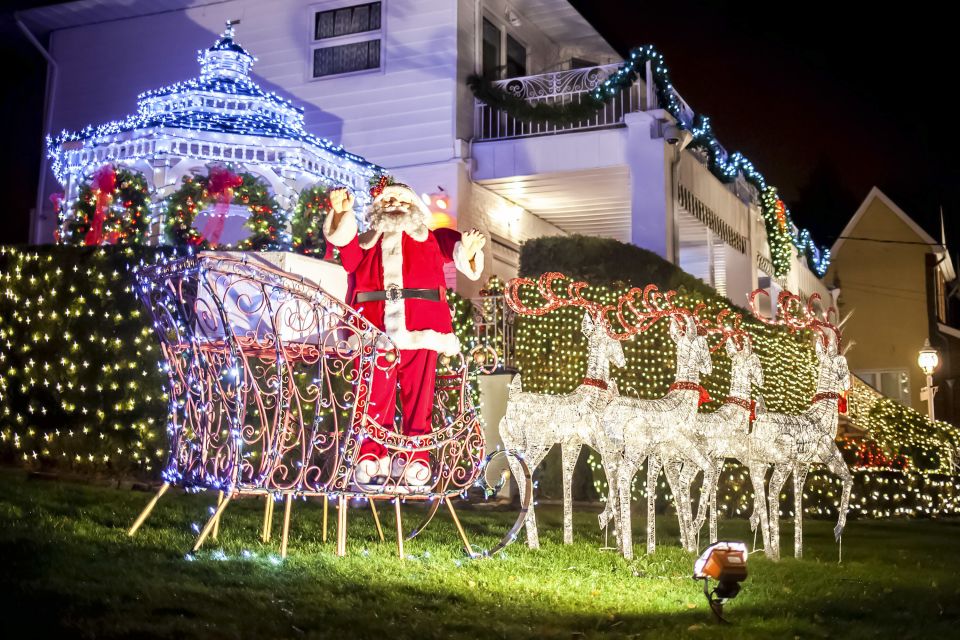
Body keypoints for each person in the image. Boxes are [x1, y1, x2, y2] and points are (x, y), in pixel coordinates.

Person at [324, 183, 486, 485]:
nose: (395, 203)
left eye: (401, 199)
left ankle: (415, 458)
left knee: (419, 397)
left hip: (422, 328)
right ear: (378, 208)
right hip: (375, 330)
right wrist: (341, 215)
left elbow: (458, 248)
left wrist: (471, 250)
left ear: (414, 206)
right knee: (375, 396)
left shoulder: (432, 239)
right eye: (389, 199)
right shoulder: (366, 242)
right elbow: (346, 255)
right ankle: (372, 455)